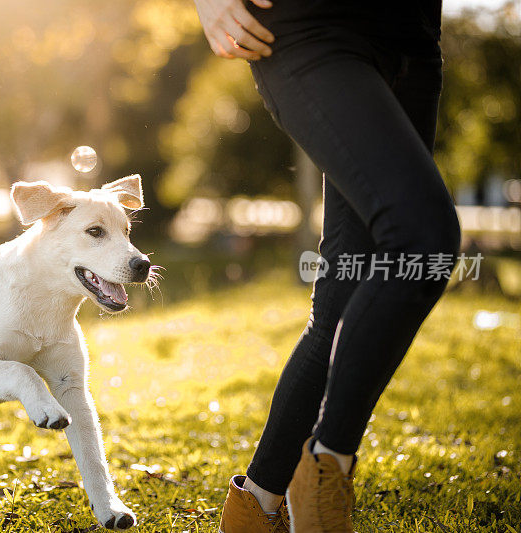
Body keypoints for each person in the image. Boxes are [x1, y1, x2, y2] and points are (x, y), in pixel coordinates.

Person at [192, 1, 461, 531]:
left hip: (413, 39)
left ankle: (256, 506)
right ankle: (325, 469)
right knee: (420, 239)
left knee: (344, 290)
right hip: (309, 26)